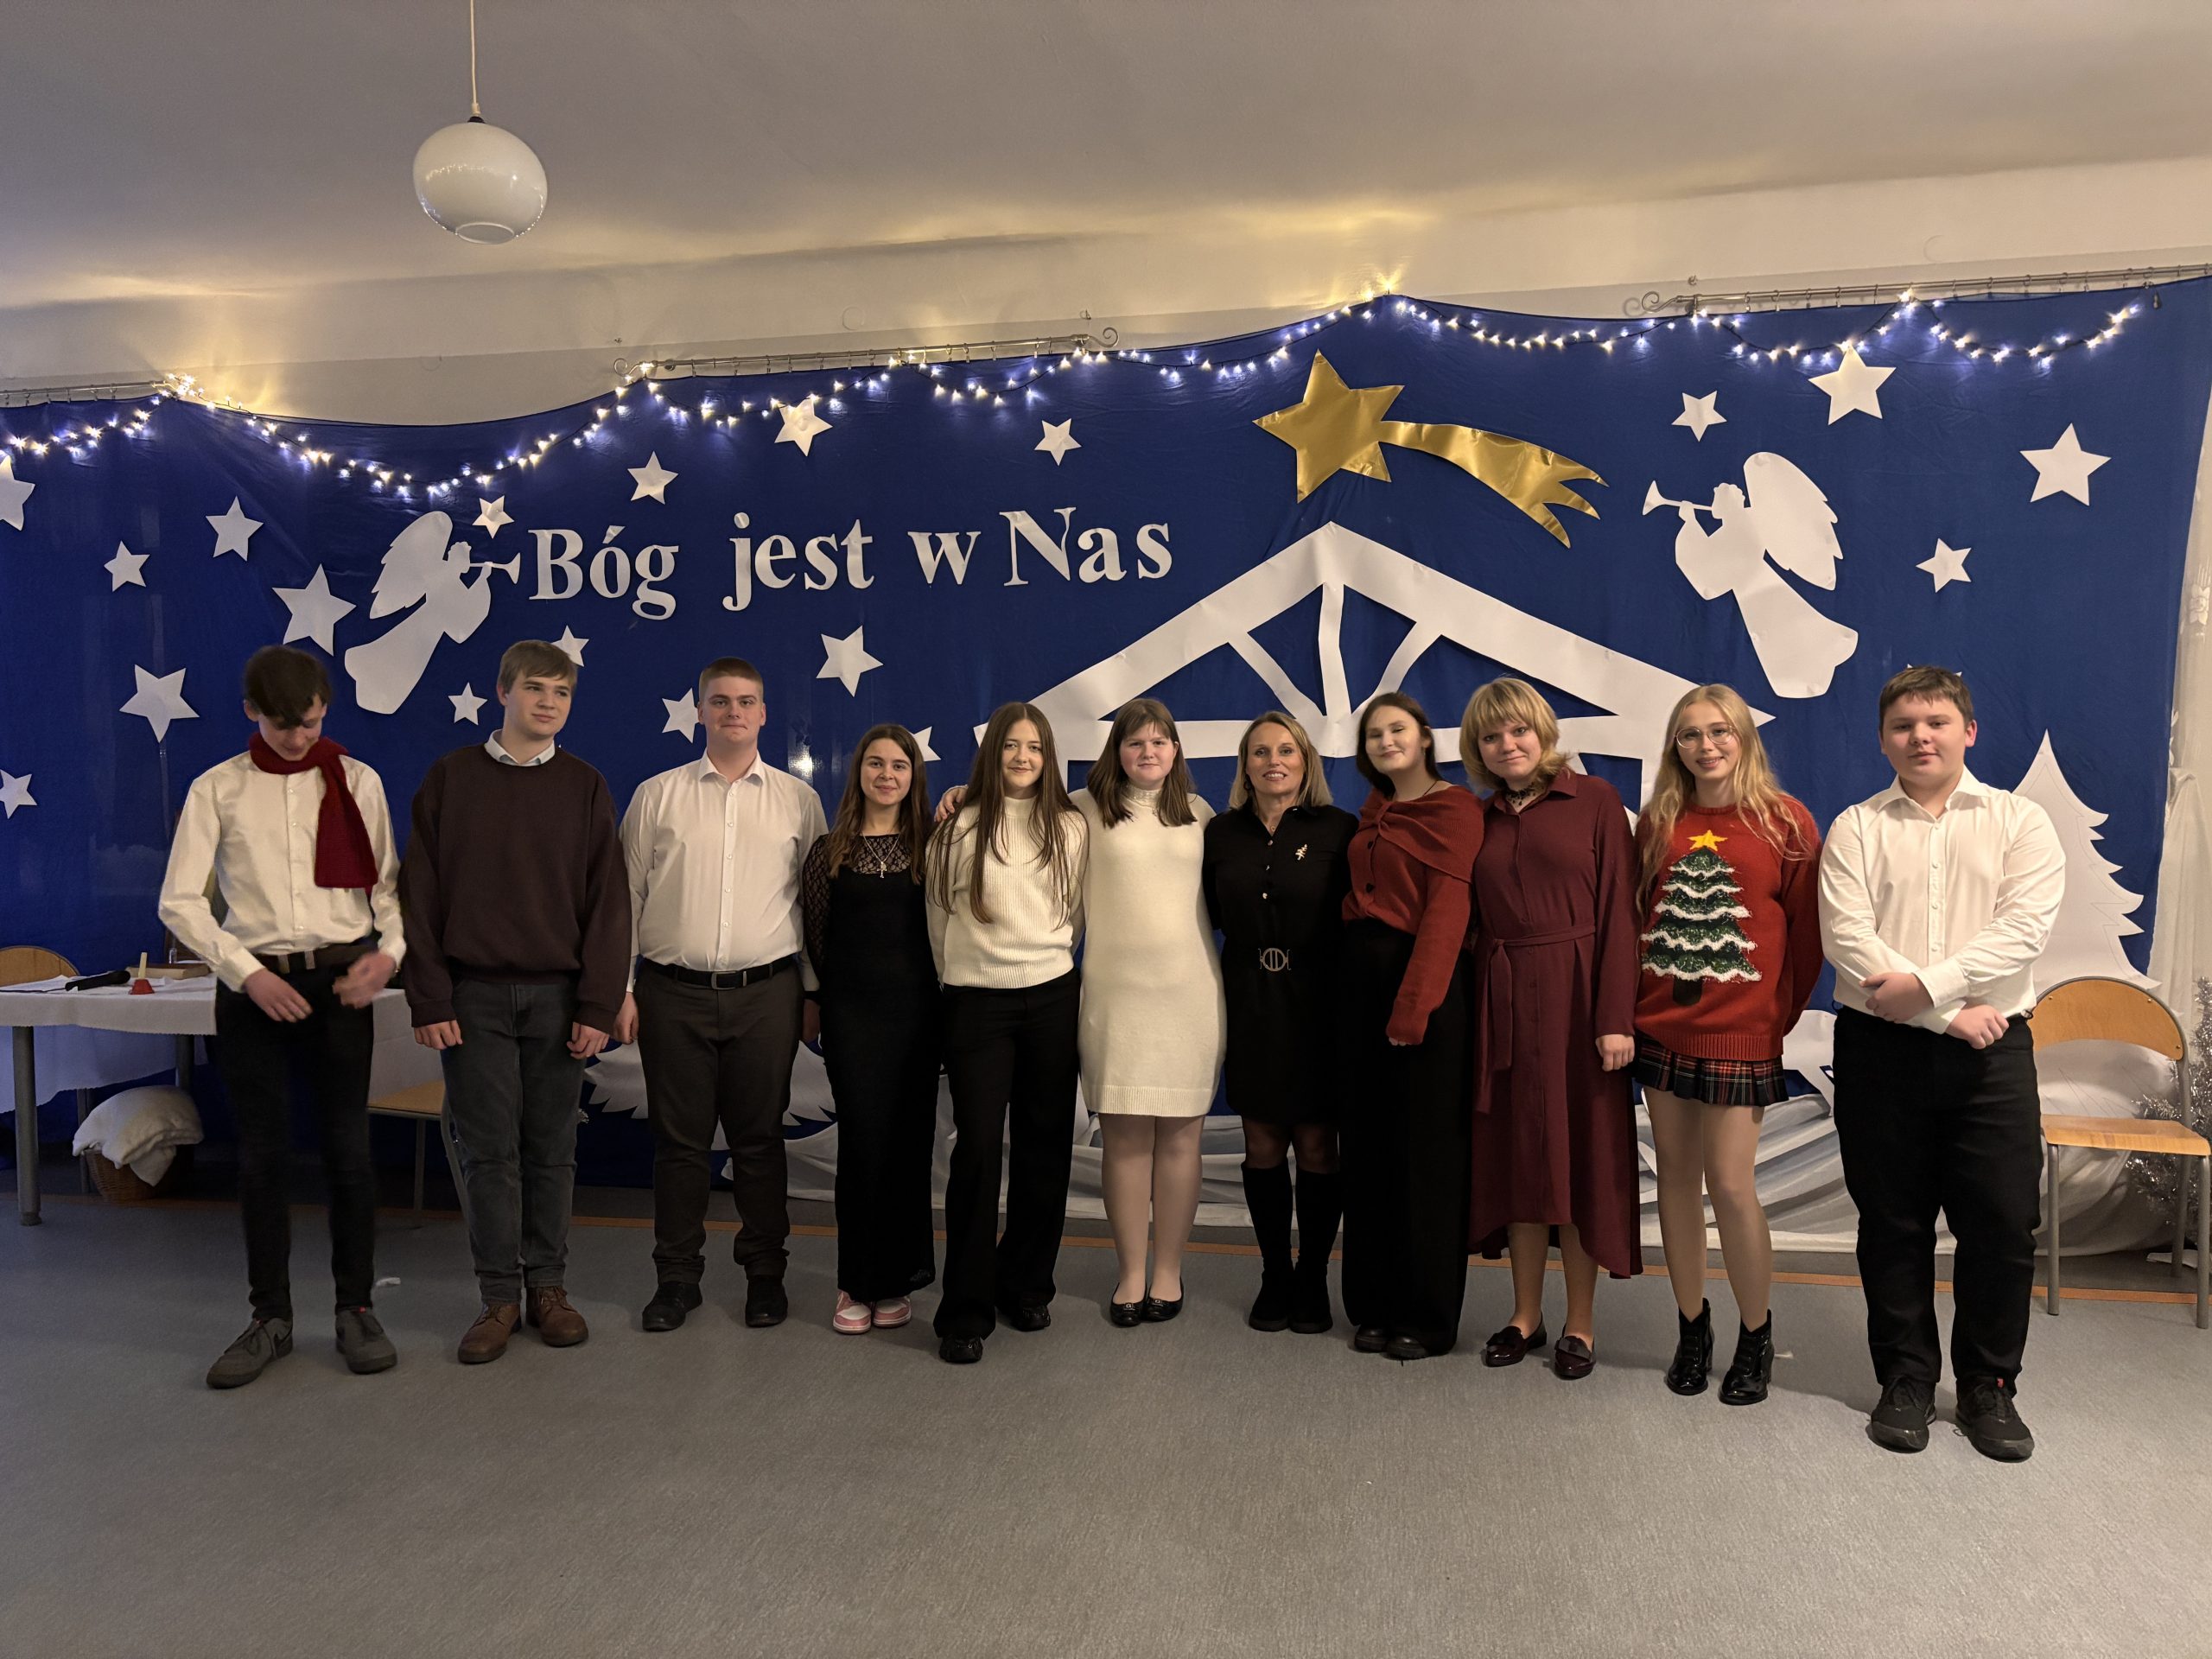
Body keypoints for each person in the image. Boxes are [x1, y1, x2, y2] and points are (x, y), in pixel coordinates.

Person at [1819, 665, 2063, 1461]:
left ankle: (1989, 1386)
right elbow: (1847, 940)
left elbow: (2022, 931)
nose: (1919, 737)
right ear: (1882, 738)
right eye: (1903, 726)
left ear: (1968, 732)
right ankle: (1906, 1379)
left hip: (1994, 1053)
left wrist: (1928, 990)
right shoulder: (1856, 827)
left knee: (2002, 1222)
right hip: (1882, 1051)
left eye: (1936, 722)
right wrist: (1946, 1014)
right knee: (1892, 1222)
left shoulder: (2020, 822)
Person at [159, 645, 406, 1389]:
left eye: (312, 723)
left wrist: (388, 955)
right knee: (262, 1157)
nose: (300, 739)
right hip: (254, 984)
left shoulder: (358, 781)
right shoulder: (217, 789)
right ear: (251, 712)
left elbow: (388, 891)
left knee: (348, 1153)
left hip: (339, 981)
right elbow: (180, 902)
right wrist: (248, 975)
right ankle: (270, 1317)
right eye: (283, 725)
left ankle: (356, 1309)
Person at [402, 639, 628, 1364]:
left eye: (561, 693)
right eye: (535, 688)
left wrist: (597, 1006)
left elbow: (608, 903)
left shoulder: (585, 785)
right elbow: (419, 895)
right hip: (473, 998)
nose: (548, 703)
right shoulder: (452, 778)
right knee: (489, 1154)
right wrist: (429, 997)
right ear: (503, 692)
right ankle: (498, 1296)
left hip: (560, 1000)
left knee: (552, 1151)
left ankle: (548, 1290)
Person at [615, 658, 827, 1335]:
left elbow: (816, 906)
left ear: (763, 714)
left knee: (760, 1142)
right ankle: (676, 1280)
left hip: (768, 995)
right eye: (720, 700)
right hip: (670, 994)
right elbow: (625, 897)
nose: (733, 711)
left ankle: (765, 1275)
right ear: (701, 711)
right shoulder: (657, 796)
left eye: (745, 701)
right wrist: (621, 988)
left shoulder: (798, 801)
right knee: (679, 1146)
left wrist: (813, 993)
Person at [1633, 683, 1822, 1406]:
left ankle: (1755, 1333)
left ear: (1743, 737)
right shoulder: (1660, 821)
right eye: (1690, 734)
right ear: (1674, 746)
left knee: (1733, 1186)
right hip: (1664, 1029)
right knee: (1675, 1180)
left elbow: (1806, 938)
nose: (1705, 746)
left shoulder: (1786, 822)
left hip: (1743, 1034)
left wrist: (1772, 1019)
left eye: (1719, 731)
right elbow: (1637, 917)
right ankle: (1692, 1327)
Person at [1464, 677, 1641, 1381]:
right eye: (1491, 736)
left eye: (1518, 730)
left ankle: (1581, 1323)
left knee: (1579, 1161)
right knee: (1519, 1162)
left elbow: (1621, 913)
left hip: (1578, 999)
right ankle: (1524, 1315)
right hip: (1504, 1002)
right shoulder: (1481, 817)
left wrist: (1615, 1018)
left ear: (1543, 733)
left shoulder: (1594, 801)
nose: (1507, 745)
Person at [925, 702, 1088, 1364]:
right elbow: (939, 920)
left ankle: (1025, 1284)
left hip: (1051, 996)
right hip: (977, 1003)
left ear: (1049, 757)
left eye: (1035, 747)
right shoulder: (957, 826)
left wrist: (1040, 965)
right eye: (1011, 746)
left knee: (1045, 1149)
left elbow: (1073, 915)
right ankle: (965, 1309)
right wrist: (969, 979)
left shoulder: (1070, 827)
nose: (1023, 757)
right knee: (977, 1151)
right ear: (992, 753)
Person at [1338, 691, 1483, 1362]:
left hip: (1423, 987)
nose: (1386, 741)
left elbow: (1447, 915)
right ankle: (1373, 1304)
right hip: (1360, 989)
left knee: (1425, 1156)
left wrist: (1413, 1007)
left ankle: (1426, 1316)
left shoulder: (1454, 810)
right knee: (1368, 1151)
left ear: (1424, 737)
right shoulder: (1375, 809)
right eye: (1374, 735)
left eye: (1397, 729)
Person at [1073, 699, 1226, 1326]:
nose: (1148, 752)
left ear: (1175, 750)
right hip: (1116, 997)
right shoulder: (1082, 810)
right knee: (1126, 1142)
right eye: (1135, 742)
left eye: (1160, 741)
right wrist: (958, 795)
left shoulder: (1199, 814)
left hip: (1190, 996)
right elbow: (1016, 812)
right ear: (1117, 751)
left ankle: (1169, 1270)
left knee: (1181, 1140)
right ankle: (1131, 1272)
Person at [1203, 711, 1355, 1334]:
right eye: (1260, 751)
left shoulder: (1338, 828)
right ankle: (1274, 1273)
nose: (1274, 761)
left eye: (1286, 750)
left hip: (1319, 1006)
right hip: (1251, 1004)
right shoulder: (1219, 833)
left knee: (1317, 1146)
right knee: (1262, 1143)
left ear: (1305, 761)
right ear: (1245, 765)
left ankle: (1312, 1276)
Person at [800, 724, 939, 1335]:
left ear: (914, 776)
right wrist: (830, 1002)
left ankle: (897, 1279)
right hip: (853, 1019)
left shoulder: (934, 848)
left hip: (918, 1019)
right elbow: (817, 939)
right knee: (862, 1147)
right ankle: (855, 1281)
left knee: (908, 1148)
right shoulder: (828, 851)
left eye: (899, 765)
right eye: (876, 763)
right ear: (858, 772)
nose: (887, 774)